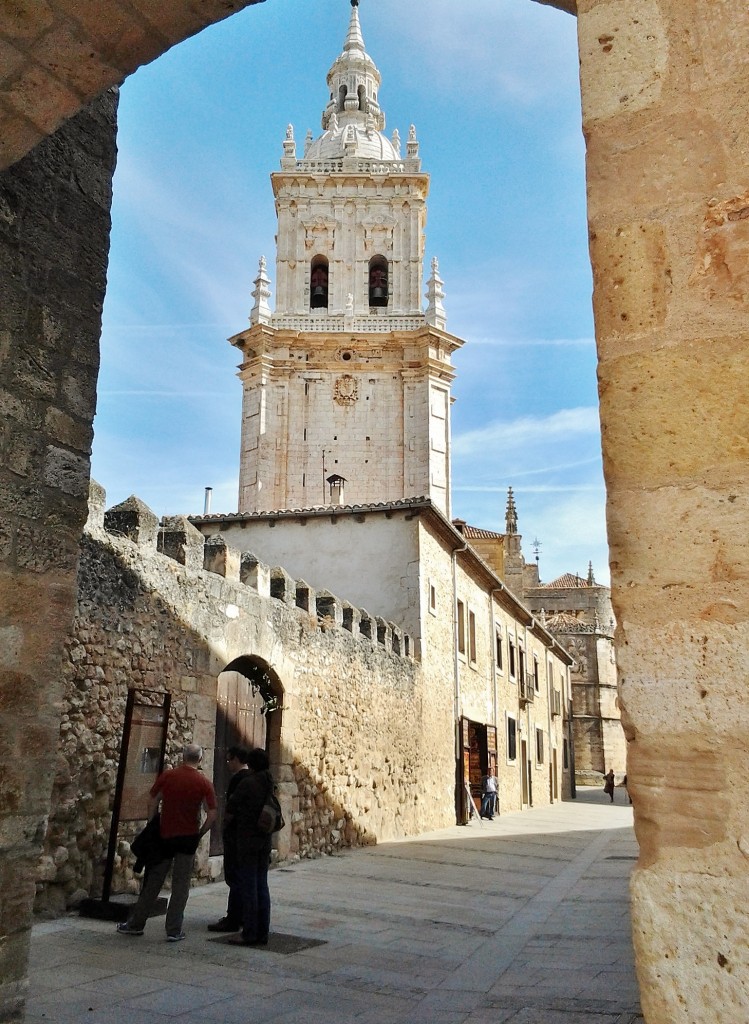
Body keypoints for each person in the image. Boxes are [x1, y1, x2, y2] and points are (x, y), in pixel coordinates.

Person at [117, 743, 217, 941]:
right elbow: (212, 813)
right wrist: (200, 832)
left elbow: (153, 800)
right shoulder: (203, 783)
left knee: (154, 881)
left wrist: (152, 823)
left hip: (165, 835)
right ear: (200, 759)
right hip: (188, 837)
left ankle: (136, 923)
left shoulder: (168, 776)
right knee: (181, 885)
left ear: (182, 756)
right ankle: (173, 929)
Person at [225, 747, 274, 946]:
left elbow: (231, 810)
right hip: (264, 841)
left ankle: (249, 932)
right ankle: (262, 931)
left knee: (249, 887)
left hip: (247, 841)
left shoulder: (248, 783)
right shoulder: (269, 782)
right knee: (262, 886)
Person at [207, 744, 251, 933]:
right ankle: (242, 915)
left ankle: (233, 917)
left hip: (236, 836)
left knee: (234, 876)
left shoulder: (239, 780)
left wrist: (224, 824)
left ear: (236, 759)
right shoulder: (253, 778)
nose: (227, 764)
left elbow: (232, 809)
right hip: (249, 837)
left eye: (229, 759)